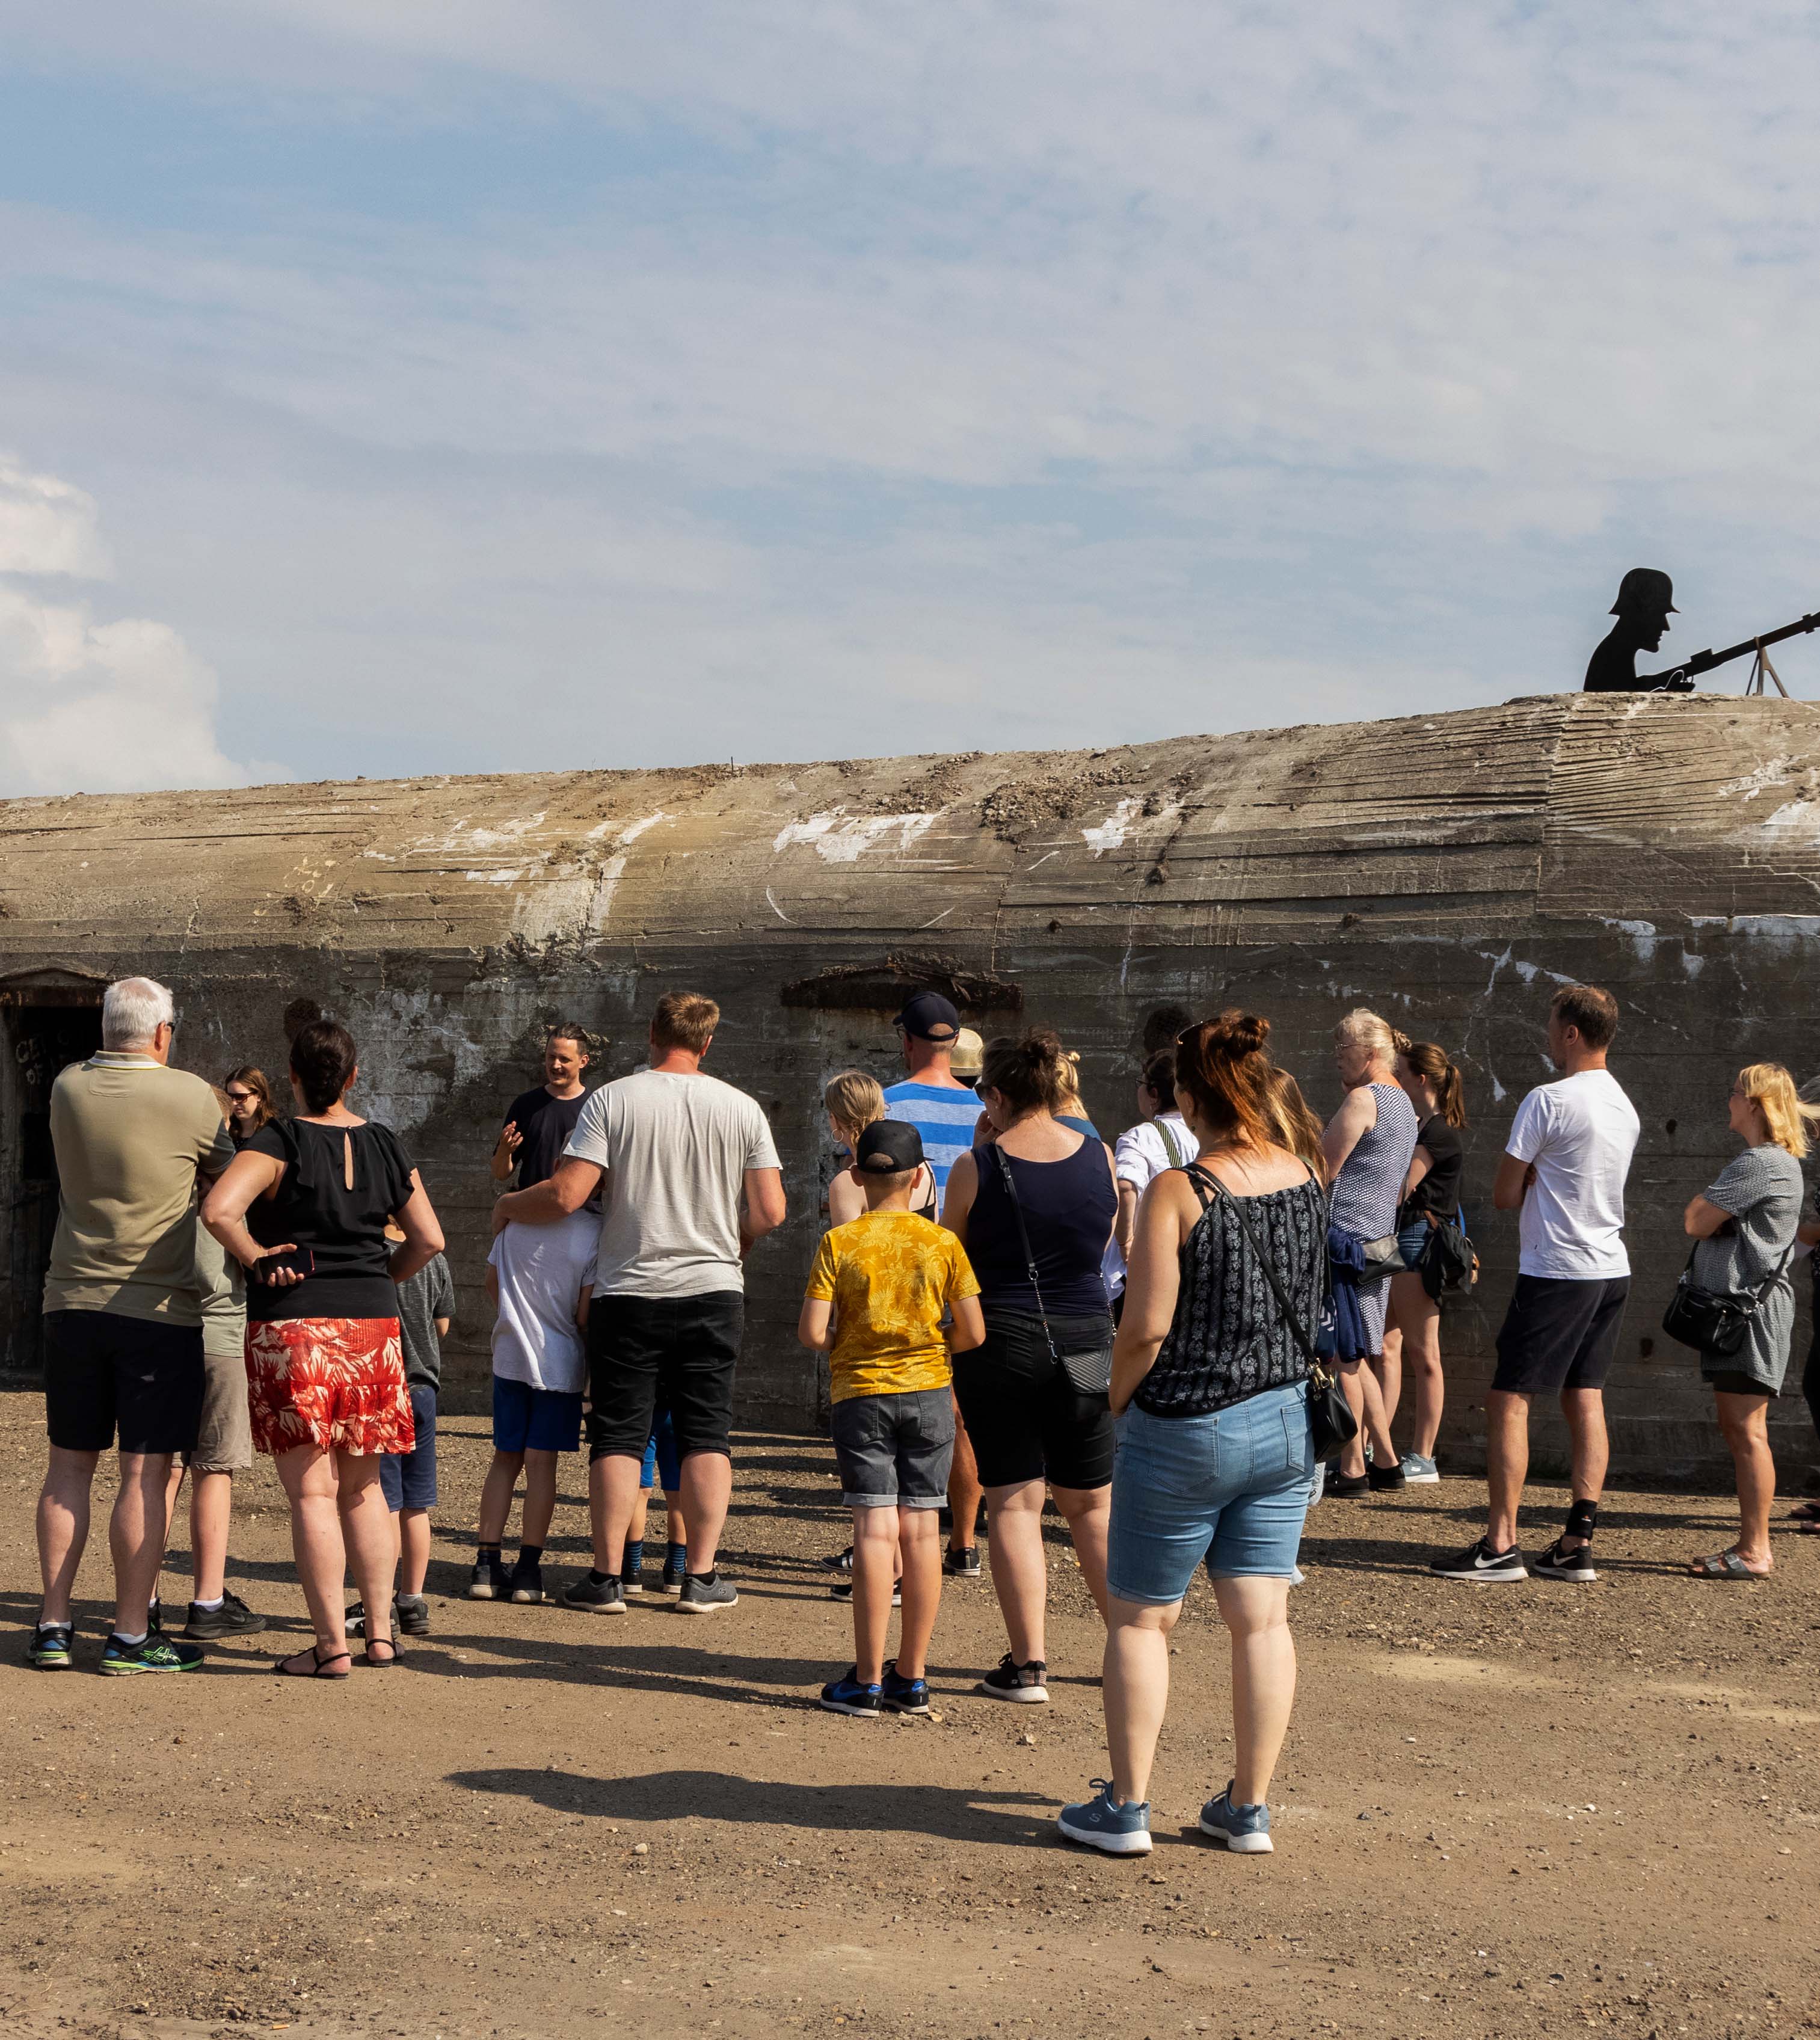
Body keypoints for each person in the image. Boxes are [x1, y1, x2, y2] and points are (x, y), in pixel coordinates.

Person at [1059, 1013, 1321, 1856]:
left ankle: (1125, 1807)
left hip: (1186, 1424)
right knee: (1261, 1621)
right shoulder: (1304, 1173)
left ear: (1184, 1095)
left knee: (1140, 1622)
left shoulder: (1182, 1190)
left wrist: (1115, 1402)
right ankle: (1247, 1810)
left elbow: (1142, 1330)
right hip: (1285, 1419)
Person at [490, 991, 786, 1615]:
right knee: (707, 1433)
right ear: (708, 1043)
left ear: (652, 1031)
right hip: (712, 1288)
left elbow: (568, 1194)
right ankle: (699, 1578)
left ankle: (606, 1579)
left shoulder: (612, 1098)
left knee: (618, 1435)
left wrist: (508, 1205)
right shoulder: (741, 1107)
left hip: (629, 1290)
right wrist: (724, 1244)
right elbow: (768, 1211)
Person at [201, 1019, 445, 1677]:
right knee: (366, 1489)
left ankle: (330, 1645)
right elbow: (428, 1239)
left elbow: (220, 1208)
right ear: (354, 1075)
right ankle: (382, 1636)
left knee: (313, 1494)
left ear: (293, 1076)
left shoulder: (282, 1138)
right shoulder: (387, 1143)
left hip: (295, 1325)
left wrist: (257, 1257)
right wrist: (378, 1280)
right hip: (373, 1328)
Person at [30, 977, 235, 1675]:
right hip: (158, 1307)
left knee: (68, 1467)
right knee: (146, 1473)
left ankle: (54, 1623)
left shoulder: (66, 1087)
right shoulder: (191, 1095)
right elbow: (227, 1178)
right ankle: (126, 1634)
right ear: (161, 1032)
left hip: (71, 1299)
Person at [1431, 985, 1639, 1585]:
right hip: (1609, 1266)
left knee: (1508, 1399)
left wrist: (1533, 1184)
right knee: (1584, 1395)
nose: (1547, 1035)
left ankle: (1499, 1543)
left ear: (1571, 1032)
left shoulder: (1547, 1099)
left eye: (1551, 1024)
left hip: (1557, 1268)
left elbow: (1501, 1192)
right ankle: (1577, 1540)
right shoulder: (1622, 1103)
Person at [941, 1029, 1118, 1702]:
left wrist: (987, 1150)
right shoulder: (1100, 1156)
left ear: (996, 1095)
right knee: (1091, 1506)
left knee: (1013, 1501)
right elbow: (1100, 1243)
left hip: (1002, 1338)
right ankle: (1127, 1644)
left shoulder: (976, 1165)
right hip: (1086, 1335)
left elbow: (948, 1252)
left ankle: (1029, 1664)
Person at [799, 1121, 985, 1716]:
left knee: (874, 1528)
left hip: (861, 1393)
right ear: (920, 1176)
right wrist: (924, 1347)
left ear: (856, 1174)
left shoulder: (840, 1242)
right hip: (929, 1392)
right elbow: (974, 1331)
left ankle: (865, 1677)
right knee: (922, 1528)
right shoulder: (942, 1244)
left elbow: (810, 1331)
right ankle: (912, 1675)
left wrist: (855, 1342)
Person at [1680, 1064, 1813, 1579]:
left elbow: (1695, 1219)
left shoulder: (1760, 1163)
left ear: (1756, 1104)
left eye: (1735, 1092)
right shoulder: (1769, 1163)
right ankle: (1751, 1544)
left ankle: (1755, 1550)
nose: (1728, 1099)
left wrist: (1716, 1212)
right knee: (1741, 1427)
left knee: (1747, 1430)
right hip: (1745, 1312)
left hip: (1748, 1315)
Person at [881, 1007, 989, 1581]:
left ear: (907, 1041)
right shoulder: (982, 1111)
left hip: (901, 1269)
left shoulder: (887, 1103)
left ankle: (895, 1550)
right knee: (961, 1414)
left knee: (899, 1409)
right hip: (965, 1270)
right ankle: (964, 1544)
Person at [164, 1123, 268, 1643]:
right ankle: (207, 1601)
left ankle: (147, 1597)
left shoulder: (160, 1206)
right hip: (219, 1342)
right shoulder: (230, 1211)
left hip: (162, 1338)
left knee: (158, 1470)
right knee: (212, 1469)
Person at [473, 1203, 598, 1603]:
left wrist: (515, 1319)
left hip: (509, 1352)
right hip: (559, 1360)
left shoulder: (516, 1220)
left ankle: (486, 1565)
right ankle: (528, 1571)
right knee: (541, 1464)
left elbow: (492, 1282)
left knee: (504, 1458)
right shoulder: (594, 1229)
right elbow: (585, 1313)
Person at [1322, 1010, 1418, 1496]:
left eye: (1344, 1050)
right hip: (1378, 1244)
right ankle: (1386, 1461)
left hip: (1344, 1244)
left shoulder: (1364, 1099)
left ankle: (1354, 1467)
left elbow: (1323, 1169)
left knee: (1346, 1358)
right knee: (1360, 1355)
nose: (1337, 1058)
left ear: (1372, 1053)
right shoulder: (1405, 1105)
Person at [348, 1224, 453, 1637]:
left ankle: (379, 1602)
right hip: (425, 1386)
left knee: (384, 1500)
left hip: (384, 1384)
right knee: (417, 1502)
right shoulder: (435, 1258)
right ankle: (412, 1600)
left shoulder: (371, 1257)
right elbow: (442, 1324)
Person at [1382, 1042, 1468, 1482]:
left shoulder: (1436, 1133)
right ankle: (1375, 1448)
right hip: (1411, 1240)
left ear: (1421, 1080)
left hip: (1418, 1241)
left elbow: (1401, 1189)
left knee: (1422, 1352)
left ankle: (1423, 1457)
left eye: (1400, 1071)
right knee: (1386, 1346)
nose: (1394, 1078)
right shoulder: (1425, 1127)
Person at [1113, 1049, 1194, 1267]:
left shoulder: (1141, 1137)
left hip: (1151, 1256)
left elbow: (1125, 1188)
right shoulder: (1203, 1132)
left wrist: (1125, 1242)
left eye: (1141, 1082)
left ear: (1154, 1094)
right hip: (1196, 1254)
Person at [491, 1026, 592, 1188]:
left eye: (564, 1059)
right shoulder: (525, 1105)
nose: (555, 1065)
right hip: (532, 1210)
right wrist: (504, 1151)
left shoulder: (596, 1108)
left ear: (583, 1061)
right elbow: (501, 1174)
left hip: (582, 1212)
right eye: (551, 1057)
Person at [1583, 568, 1693, 693]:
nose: (1666, 627)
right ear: (1642, 613)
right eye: (1659, 615)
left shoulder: (1616, 651)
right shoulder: (1614, 653)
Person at [223, 1066, 278, 1148]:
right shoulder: (224, 1131)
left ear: (259, 1096)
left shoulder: (274, 1134)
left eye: (240, 1097)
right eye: (230, 1097)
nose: (234, 1103)